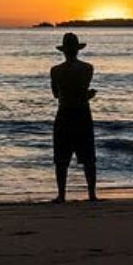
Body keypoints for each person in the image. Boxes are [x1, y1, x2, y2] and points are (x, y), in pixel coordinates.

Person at [49, 32, 98, 203]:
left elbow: (56, 94)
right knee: (88, 157)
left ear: (63, 51)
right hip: (82, 113)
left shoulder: (55, 71)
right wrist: (88, 95)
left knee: (61, 158)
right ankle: (91, 194)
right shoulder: (88, 68)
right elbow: (82, 92)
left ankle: (61, 195)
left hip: (64, 113)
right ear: (78, 50)